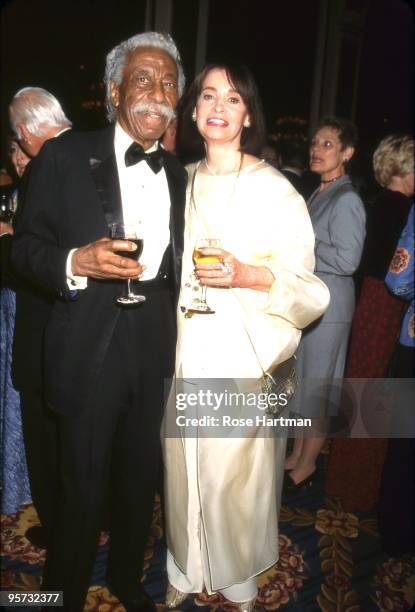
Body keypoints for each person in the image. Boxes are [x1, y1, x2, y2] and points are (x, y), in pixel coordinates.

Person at [11, 32, 186, 612]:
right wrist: (74, 262)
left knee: (140, 478)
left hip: (156, 342)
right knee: (81, 484)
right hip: (88, 342)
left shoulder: (183, 176)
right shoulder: (63, 155)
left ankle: (127, 580)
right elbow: (22, 247)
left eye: (167, 83)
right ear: (114, 91)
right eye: (143, 78)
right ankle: (61, 592)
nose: (156, 93)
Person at [162, 63, 329, 611]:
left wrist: (246, 274)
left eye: (232, 99)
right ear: (193, 110)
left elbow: (310, 292)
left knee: (235, 473)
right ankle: (185, 567)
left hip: (245, 347)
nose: (217, 107)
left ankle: (238, 576)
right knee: (183, 462)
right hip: (185, 345)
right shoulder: (178, 181)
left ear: (247, 114)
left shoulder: (274, 190)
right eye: (207, 96)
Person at [325, 134, 414, 511]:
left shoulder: (382, 203)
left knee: (362, 390)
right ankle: (360, 490)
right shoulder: (398, 207)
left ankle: (345, 482)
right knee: (376, 395)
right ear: (403, 166)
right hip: (387, 305)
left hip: (373, 301)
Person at [284, 117, 366, 489]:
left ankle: (309, 462)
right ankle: (299, 454)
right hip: (314, 301)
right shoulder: (320, 191)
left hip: (331, 307)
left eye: (328, 144)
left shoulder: (347, 198)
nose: (317, 149)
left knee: (320, 388)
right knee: (306, 384)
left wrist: (306, 244)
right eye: (315, 143)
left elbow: (349, 260)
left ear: (347, 153)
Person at [8, 87, 72, 548]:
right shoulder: (94, 152)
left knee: (47, 433)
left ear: (26, 131)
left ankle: (58, 521)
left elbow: (34, 259)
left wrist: (8, 241)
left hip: (46, 325)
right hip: (85, 326)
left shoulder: (47, 164)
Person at [0, 139, 31, 516]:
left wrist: (8, 234)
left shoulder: (49, 187)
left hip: (29, 303)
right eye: (14, 150)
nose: (19, 158)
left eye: (24, 149)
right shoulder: (14, 190)